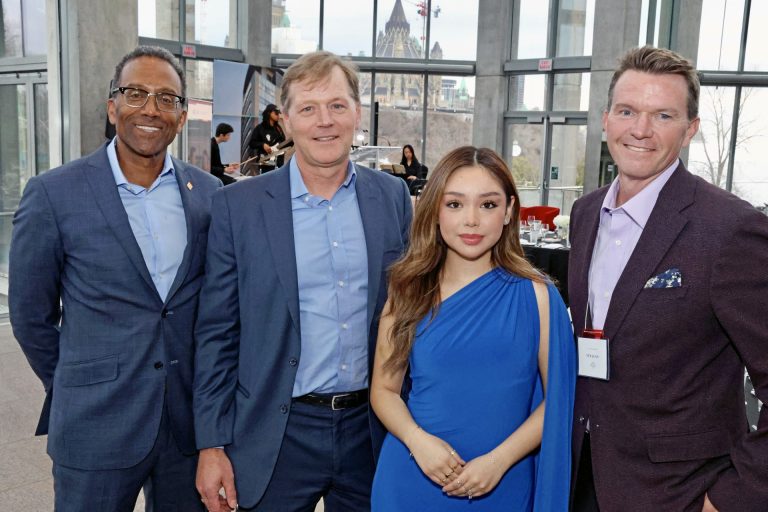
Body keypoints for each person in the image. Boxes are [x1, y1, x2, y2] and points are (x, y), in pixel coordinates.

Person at [193, 50, 413, 512]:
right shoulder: (240, 207)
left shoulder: (391, 197)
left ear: (357, 112)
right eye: (308, 109)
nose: (324, 121)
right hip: (276, 430)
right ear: (286, 121)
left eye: (337, 105)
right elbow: (216, 331)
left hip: (370, 430)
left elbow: (413, 310)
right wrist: (211, 445)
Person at [8, 46, 222, 511]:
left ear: (182, 116)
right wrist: (75, 380)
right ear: (112, 106)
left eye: (167, 98)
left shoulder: (208, 194)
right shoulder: (53, 193)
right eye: (136, 93)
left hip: (185, 429)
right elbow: (29, 314)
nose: (150, 108)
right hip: (95, 422)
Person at [569, 46, 768, 512]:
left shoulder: (730, 229)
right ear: (606, 119)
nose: (640, 130)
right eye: (627, 111)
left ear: (689, 130)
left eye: (662, 115)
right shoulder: (584, 214)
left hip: (680, 492)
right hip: (584, 476)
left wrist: (733, 499)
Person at [370, 146, 576, 511]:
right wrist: (418, 443)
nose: (471, 221)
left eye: (488, 205)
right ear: (434, 210)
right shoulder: (407, 291)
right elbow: (384, 391)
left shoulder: (540, 296)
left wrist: (499, 460)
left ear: (510, 211)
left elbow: (558, 401)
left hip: (504, 481)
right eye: (455, 204)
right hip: (413, 476)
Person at [248, 103, 289, 173]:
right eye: (276, 113)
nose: (278, 116)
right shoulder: (260, 128)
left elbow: (283, 141)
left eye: (278, 114)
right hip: (265, 164)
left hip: (279, 163)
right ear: (269, 113)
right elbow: (252, 143)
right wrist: (262, 145)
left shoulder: (278, 128)